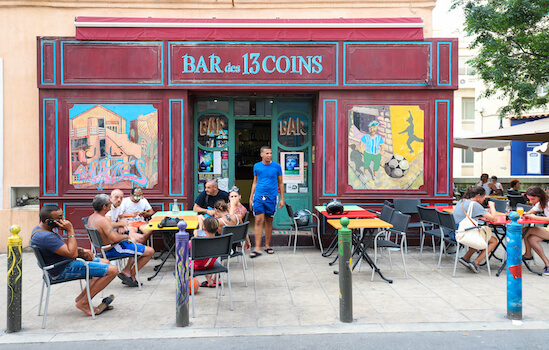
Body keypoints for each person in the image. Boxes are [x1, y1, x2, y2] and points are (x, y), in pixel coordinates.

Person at [30, 205, 118, 315]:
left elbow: (60, 248)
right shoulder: (45, 236)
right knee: (113, 270)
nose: (63, 220)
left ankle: (81, 298)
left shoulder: (42, 229)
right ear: (48, 221)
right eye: (59, 217)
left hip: (63, 263)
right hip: (63, 269)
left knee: (105, 262)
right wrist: (70, 230)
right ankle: (84, 303)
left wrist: (82, 251)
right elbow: (72, 254)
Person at [88, 194, 154, 287]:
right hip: (113, 249)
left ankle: (126, 271)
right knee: (150, 251)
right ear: (104, 207)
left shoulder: (92, 218)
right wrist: (126, 237)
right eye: (109, 203)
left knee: (137, 244)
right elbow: (114, 238)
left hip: (105, 247)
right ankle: (132, 274)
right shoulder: (103, 221)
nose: (111, 205)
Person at [453, 186, 498, 273]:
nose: (484, 198)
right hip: (464, 233)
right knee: (494, 241)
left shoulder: (462, 201)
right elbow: (494, 218)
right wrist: (492, 206)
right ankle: (476, 263)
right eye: (483, 196)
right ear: (478, 196)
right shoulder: (475, 204)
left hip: (456, 231)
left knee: (480, 235)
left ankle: (466, 258)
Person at [249, 146, 284, 258]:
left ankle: (267, 246)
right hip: (259, 196)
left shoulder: (277, 166)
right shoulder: (257, 166)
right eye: (267, 153)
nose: (269, 155)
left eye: (270, 153)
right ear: (261, 155)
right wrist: (251, 197)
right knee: (259, 220)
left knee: (269, 221)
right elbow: (254, 182)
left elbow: (281, 183)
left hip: (272, 197)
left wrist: (282, 198)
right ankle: (257, 248)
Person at [521, 186, 549, 275]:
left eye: (533, 199)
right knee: (531, 239)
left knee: (526, 230)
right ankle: (547, 264)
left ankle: (526, 254)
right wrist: (525, 214)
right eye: (529, 199)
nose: (531, 201)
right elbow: (531, 212)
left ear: (540, 196)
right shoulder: (542, 202)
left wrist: (534, 217)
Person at [192, 216, 221, 288]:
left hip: (197, 266)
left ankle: (191, 283)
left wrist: (195, 236)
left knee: (186, 262)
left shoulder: (199, 241)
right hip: (211, 265)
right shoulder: (220, 241)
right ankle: (210, 280)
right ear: (217, 229)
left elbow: (185, 248)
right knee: (207, 258)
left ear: (204, 229)